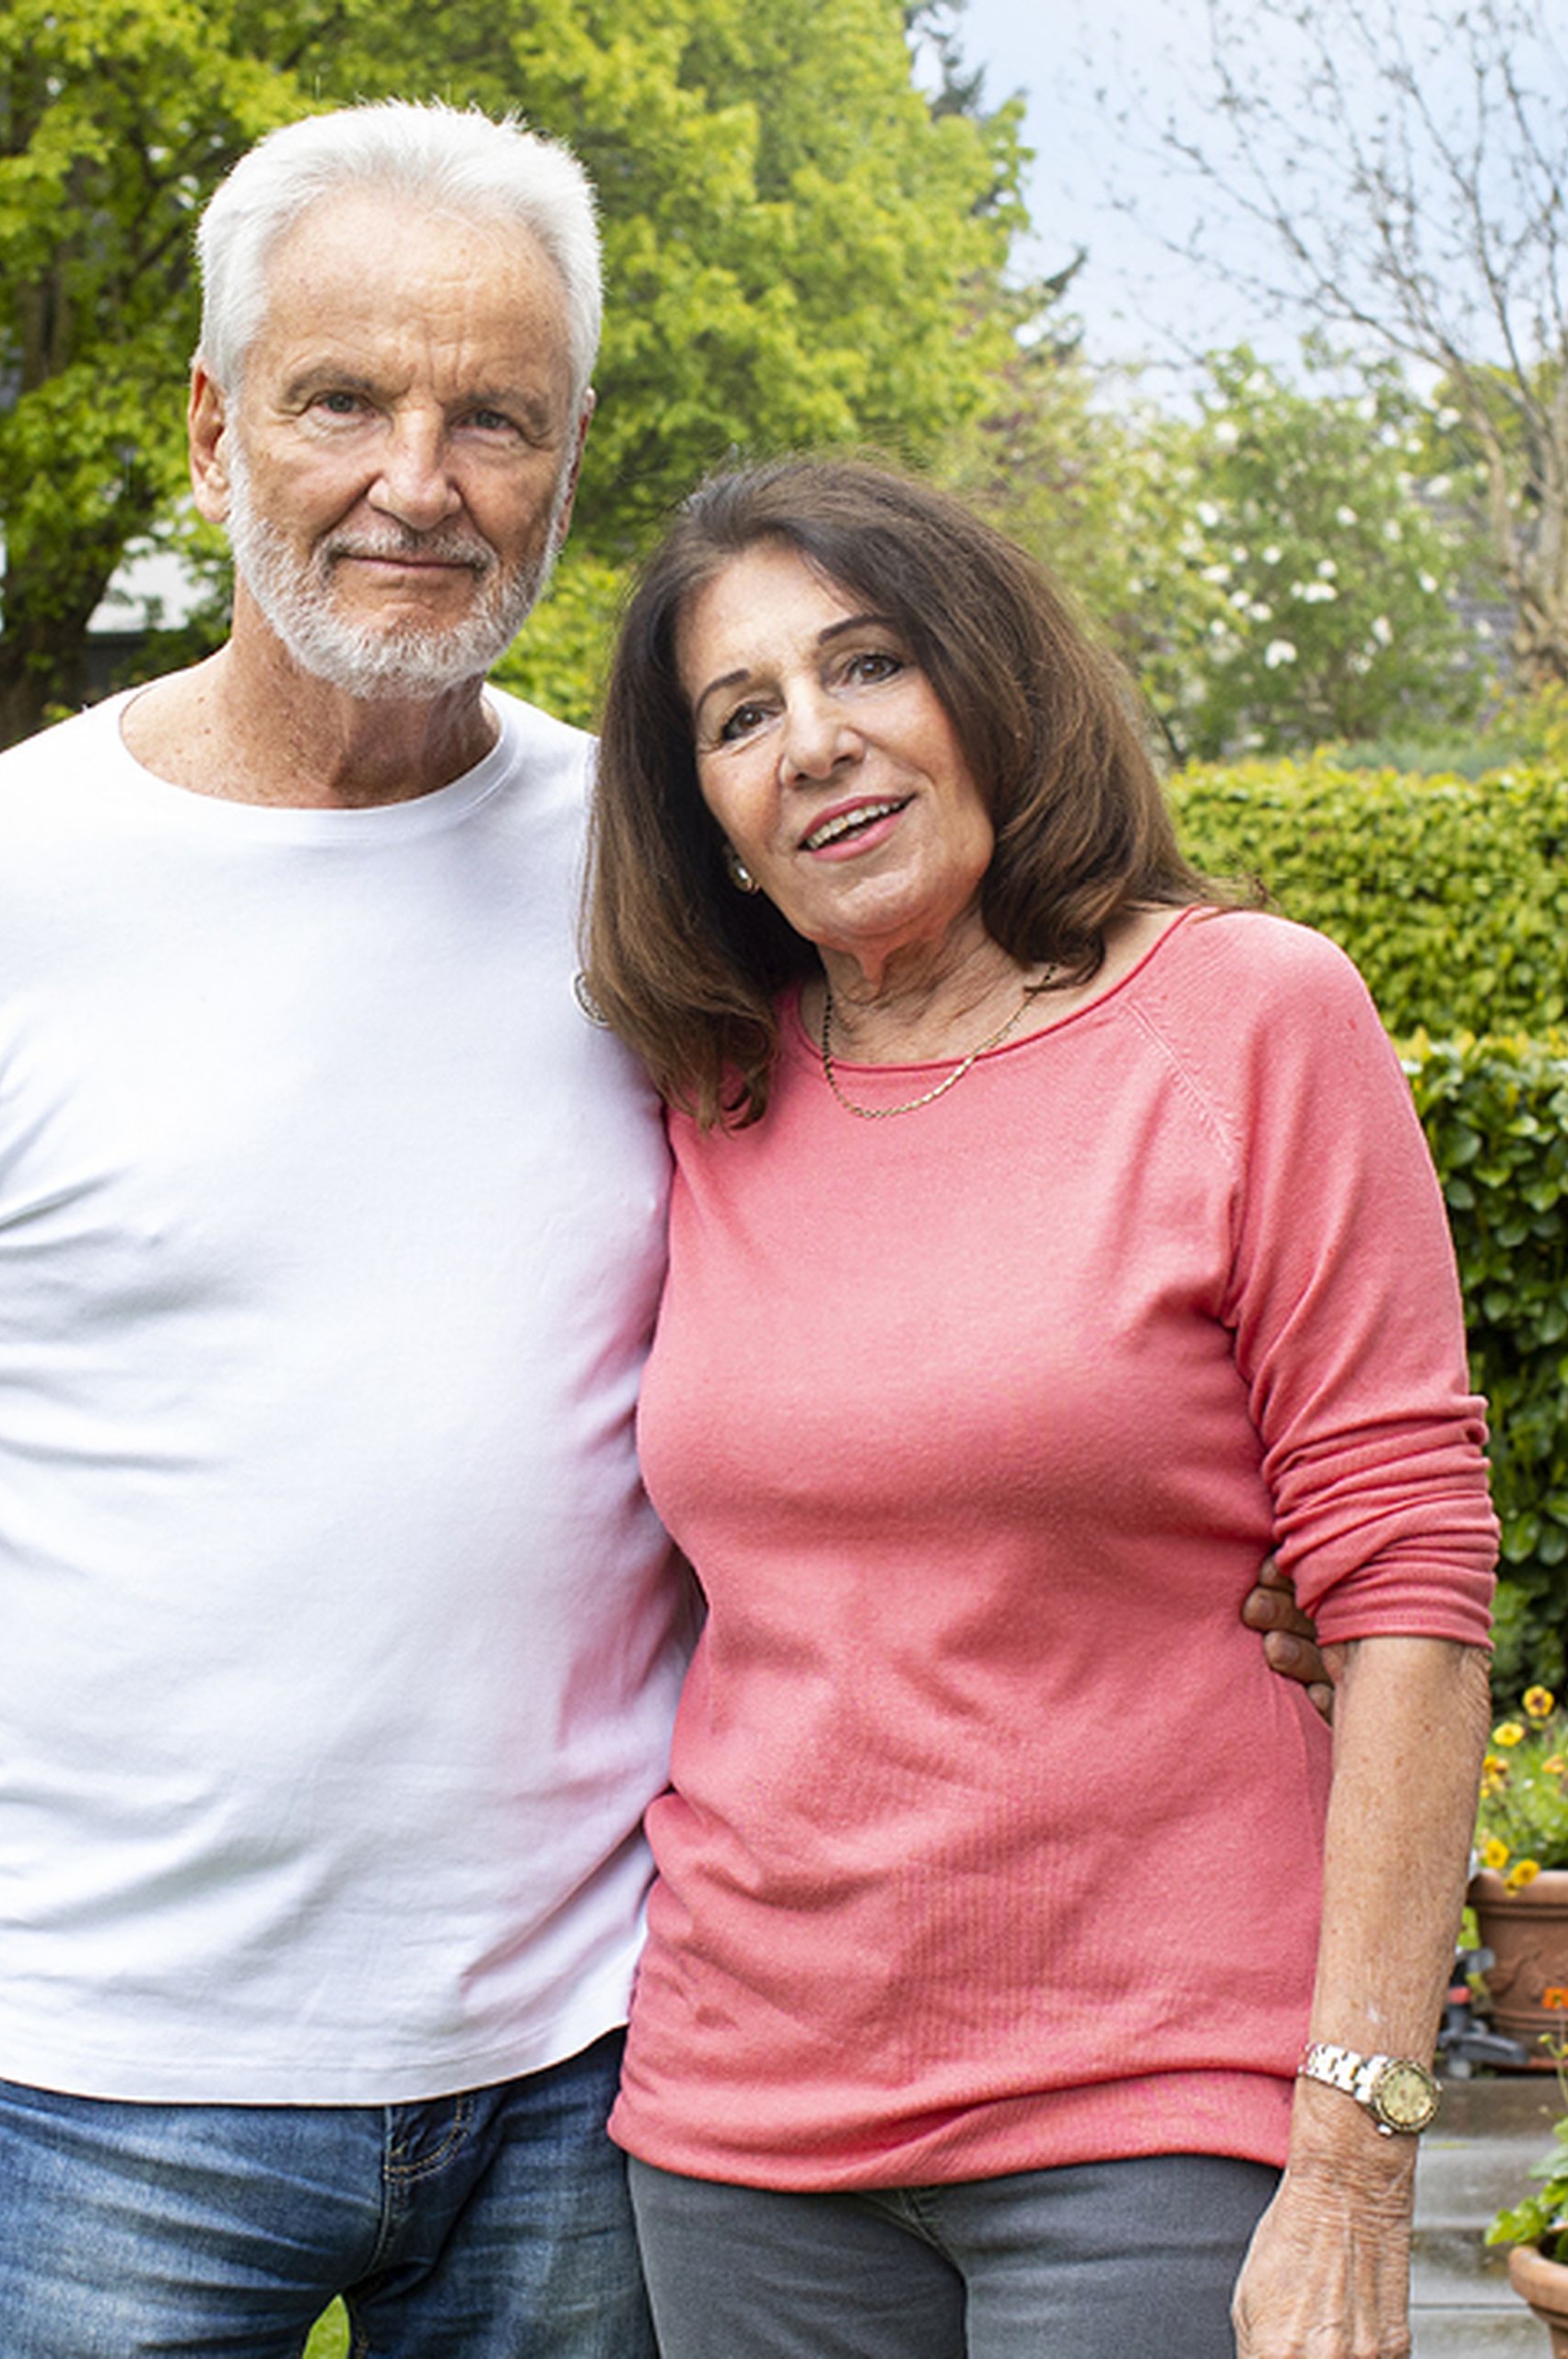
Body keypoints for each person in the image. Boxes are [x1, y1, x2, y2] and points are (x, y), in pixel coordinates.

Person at [0, 106, 1336, 2359]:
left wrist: (1266, 1548)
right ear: (211, 427)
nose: (419, 476)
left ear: (566, 469)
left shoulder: (673, 864)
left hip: (599, 2070)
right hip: (113, 2091)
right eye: (342, 398)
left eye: (495, 416)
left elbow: (997, 1177)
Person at [578, 456, 1499, 2359]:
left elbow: (1408, 1590)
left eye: (869, 665)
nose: (816, 743)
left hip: (1155, 2116)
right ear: (709, 820)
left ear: (988, 683)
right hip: (742, 2124)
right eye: (740, 717)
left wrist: (1356, 2147)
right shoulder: (703, 1098)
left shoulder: (1250, 1023)